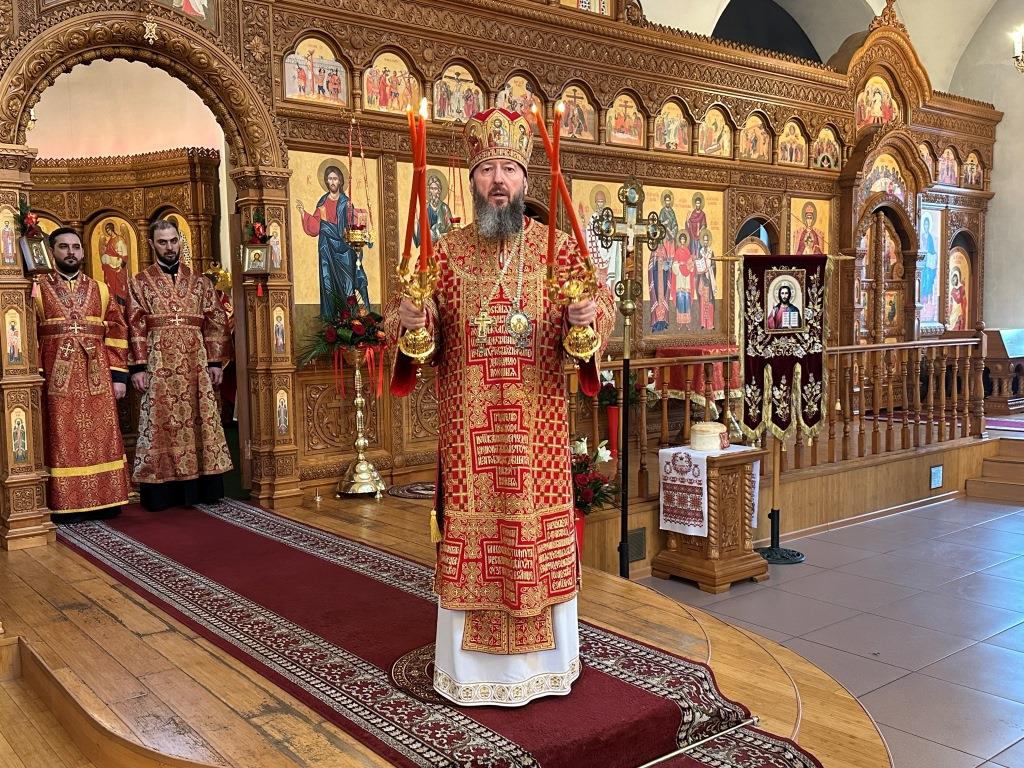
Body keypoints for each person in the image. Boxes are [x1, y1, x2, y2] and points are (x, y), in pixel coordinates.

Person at [386, 107, 614, 707]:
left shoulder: (558, 251)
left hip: (538, 431)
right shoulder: (444, 253)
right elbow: (411, 332)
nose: (497, 181)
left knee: (534, 530)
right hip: (469, 438)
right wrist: (412, 322)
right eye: (486, 169)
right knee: (475, 532)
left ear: (525, 179)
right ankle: (469, 673)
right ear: (471, 180)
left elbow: (598, 315)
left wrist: (586, 318)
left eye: (508, 169)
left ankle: (547, 667)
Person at [127, 219, 232, 511]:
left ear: (180, 242)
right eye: (163, 242)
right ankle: (161, 492)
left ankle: (203, 488)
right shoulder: (139, 282)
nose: (169, 247)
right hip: (157, 363)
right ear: (152, 244)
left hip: (196, 363)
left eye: (174, 241)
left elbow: (216, 321)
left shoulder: (200, 282)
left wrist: (215, 361)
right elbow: (134, 325)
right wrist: (138, 367)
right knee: (160, 422)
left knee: (201, 419)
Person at [36, 227, 130, 522]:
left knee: (101, 435)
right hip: (56, 377)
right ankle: (66, 502)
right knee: (62, 436)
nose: (71, 252)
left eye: (75, 247)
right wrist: (35, 373)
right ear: (52, 252)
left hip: (96, 374)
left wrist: (118, 376)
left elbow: (117, 330)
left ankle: (106, 500)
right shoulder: (37, 289)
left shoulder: (100, 289)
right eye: (64, 247)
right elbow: (28, 334)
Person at [296, 165, 370, 315]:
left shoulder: (346, 203)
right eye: (330, 179)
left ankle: (351, 318)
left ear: (340, 181)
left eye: (335, 179)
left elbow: (351, 226)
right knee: (328, 281)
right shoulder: (322, 201)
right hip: (327, 248)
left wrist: (362, 231)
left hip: (344, 250)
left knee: (347, 283)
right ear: (326, 181)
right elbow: (315, 227)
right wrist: (303, 213)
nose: (332, 182)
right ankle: (331, 319)